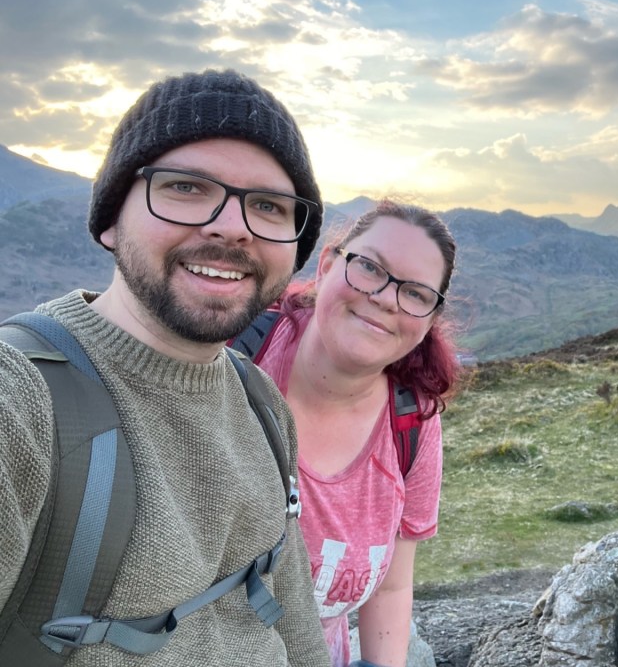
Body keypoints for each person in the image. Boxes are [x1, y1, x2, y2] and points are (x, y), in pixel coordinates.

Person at [0, 69, 331, 666]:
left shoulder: (260, 400)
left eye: (268, 205)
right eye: (185, 187)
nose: (232, 226)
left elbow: (288, 603)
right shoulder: (20, 398)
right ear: (109, 218)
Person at [248, 200, 460, 667]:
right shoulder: (233, 364)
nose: (386, 298)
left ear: (428, 322)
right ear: (326, 265)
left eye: (417, 294)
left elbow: (392, 584)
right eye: (369, 268)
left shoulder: (412, 422)